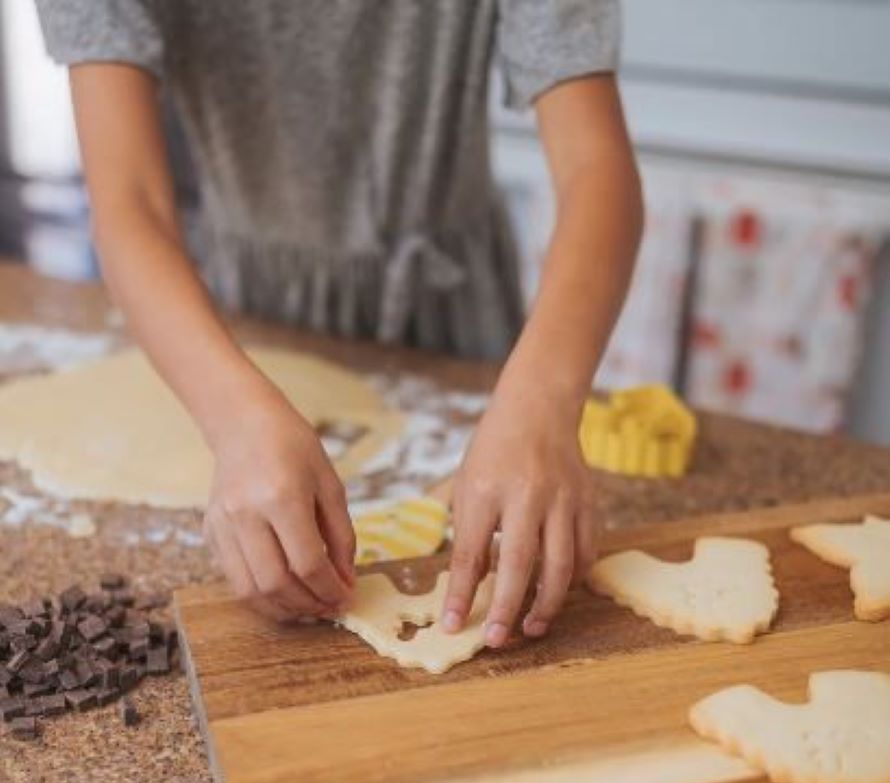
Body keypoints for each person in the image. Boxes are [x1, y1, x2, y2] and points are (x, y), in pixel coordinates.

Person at [36, 1, 642, 649]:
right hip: (235, 329)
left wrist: (542, 403)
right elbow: (131, 203)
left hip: (455, 314)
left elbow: (595, 171)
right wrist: (236, 421)